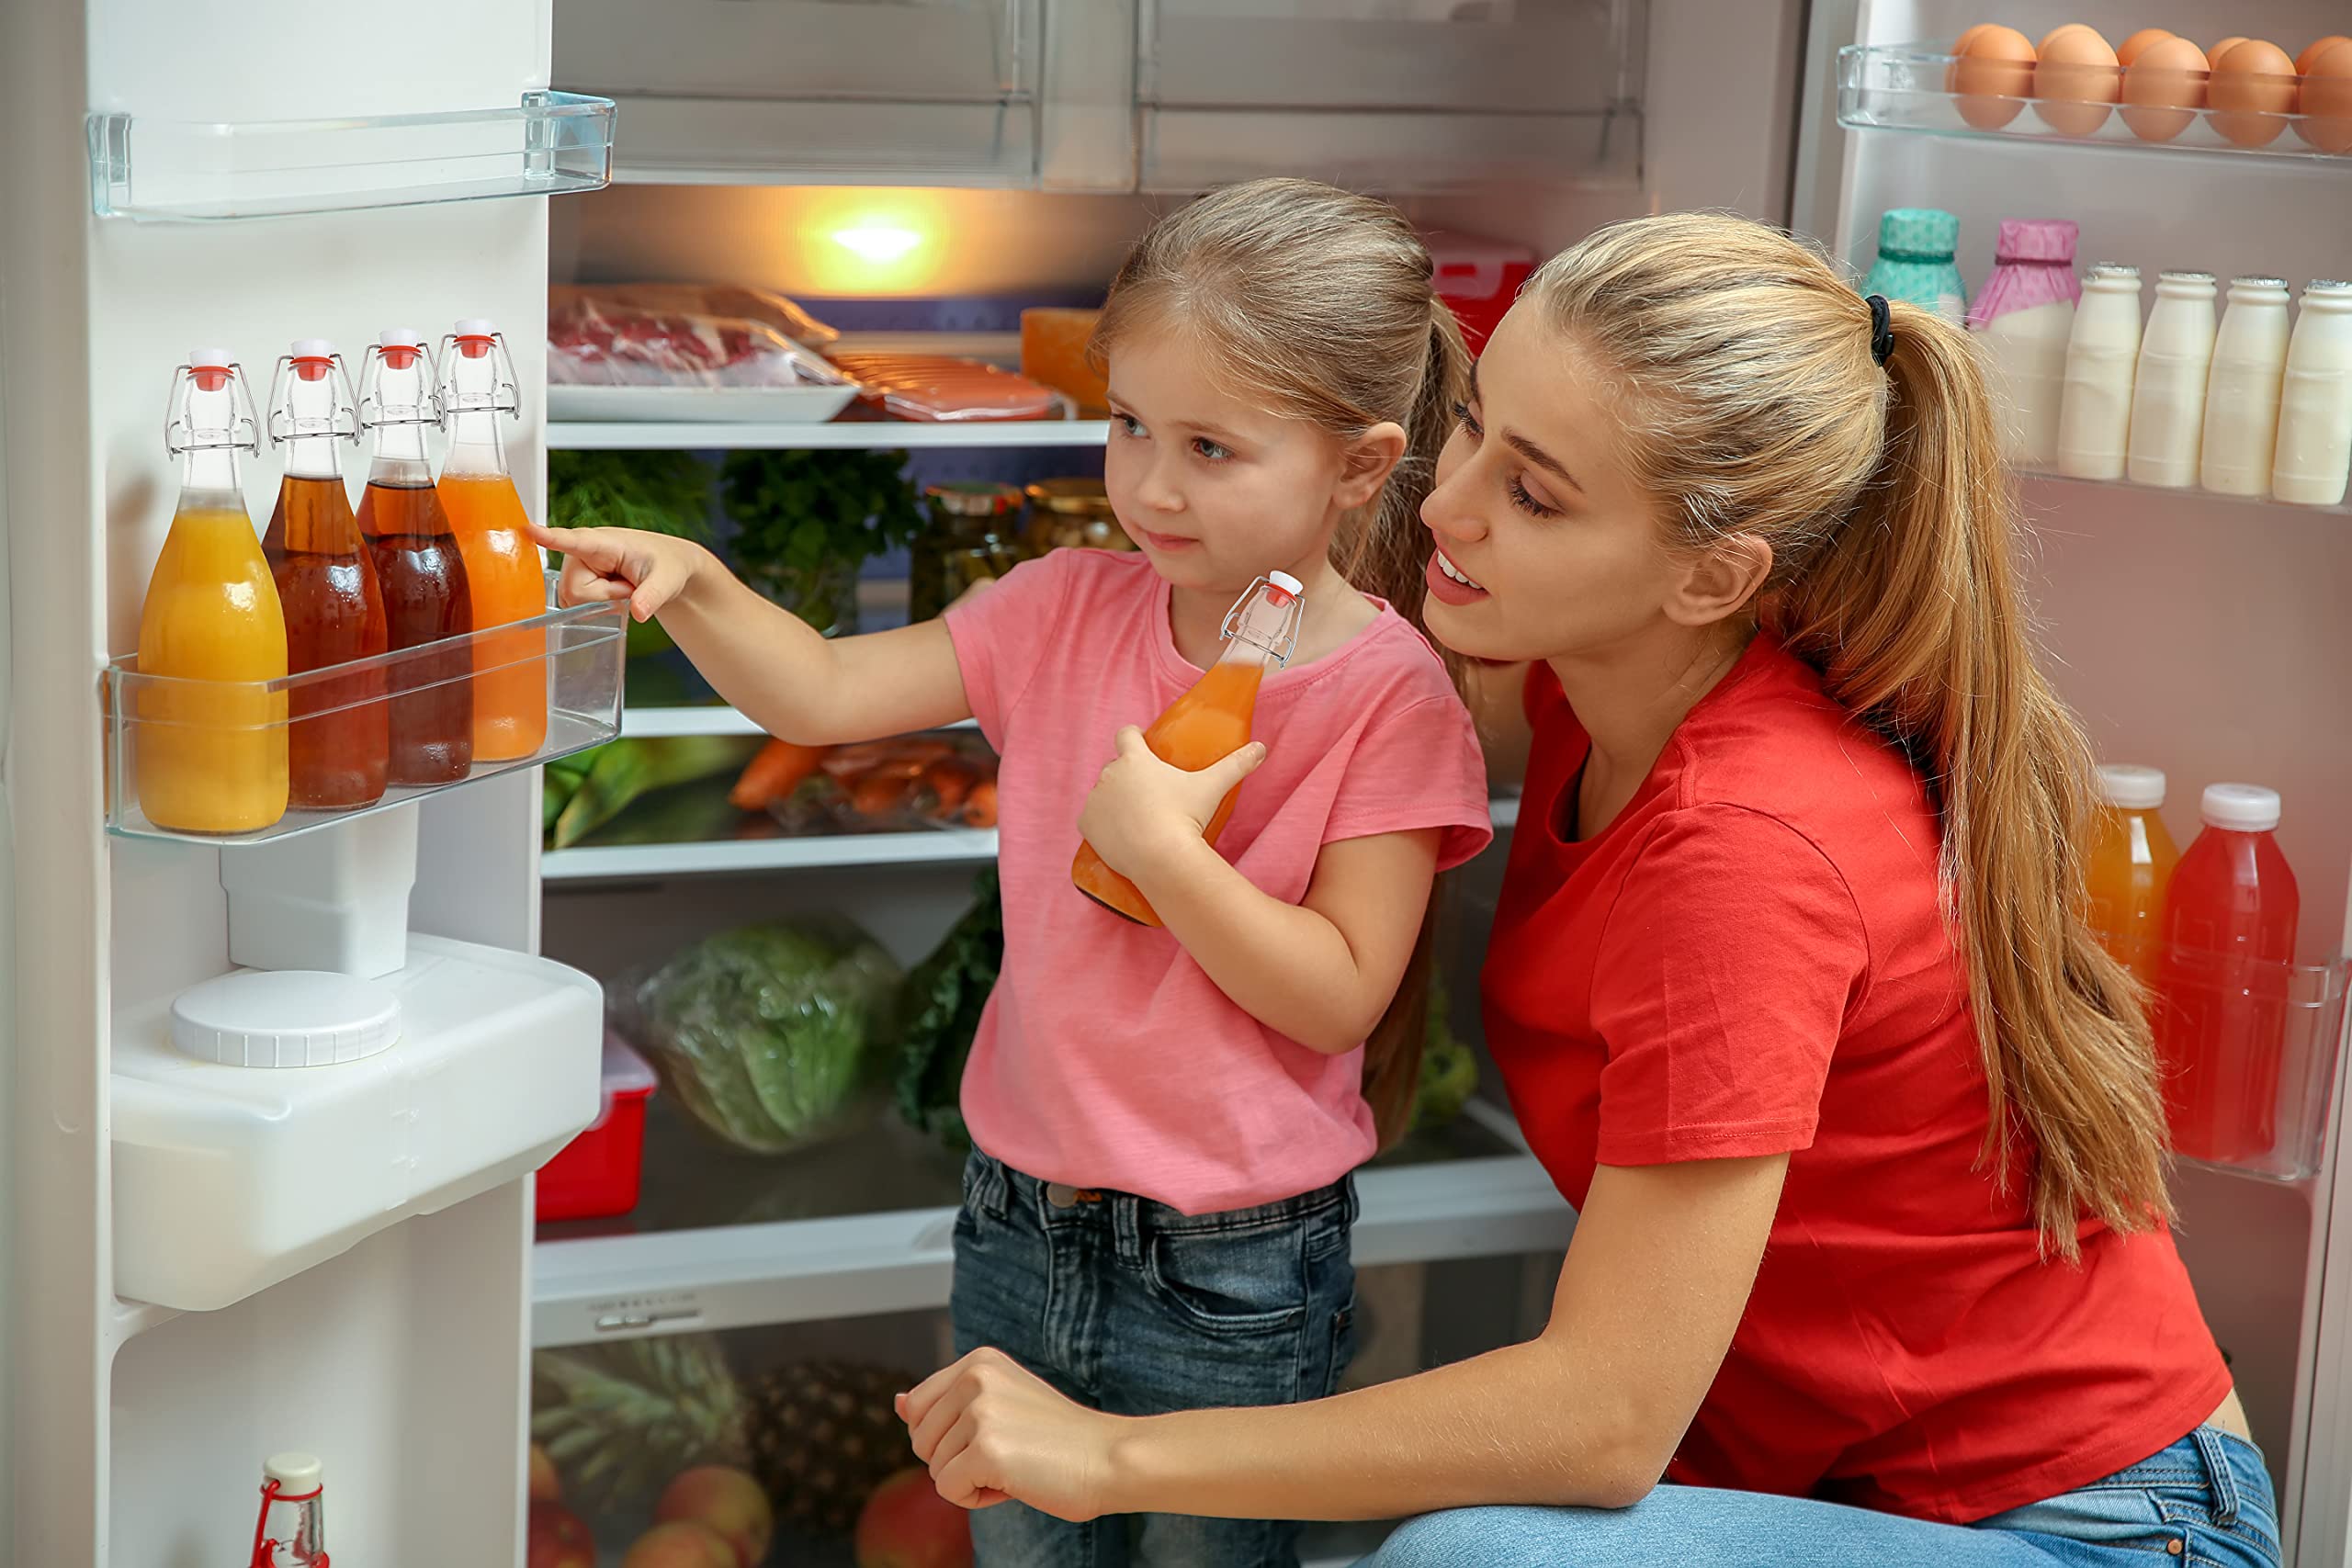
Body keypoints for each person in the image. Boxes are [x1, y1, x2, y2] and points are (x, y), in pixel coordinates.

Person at [892, 211, 2278, 1568]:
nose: (1445, 503)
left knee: (1470, 1557)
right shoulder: (1598, 681)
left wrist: (1111, 1451)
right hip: (1821, 1490)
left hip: (2084, 1527)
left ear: (1711, 574)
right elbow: (1318, 673)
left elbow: (1604, 1425)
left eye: (1534, 493)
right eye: (1476, 423)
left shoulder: (1746, 848)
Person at [533, 178, 1494, 1567]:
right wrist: (698, 584)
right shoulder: (1064, 609)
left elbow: (1339, 994)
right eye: (1130, 427)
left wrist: (1164, 853)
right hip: (1017, 1222)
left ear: (1358, 464)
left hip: (1235, 1262)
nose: (1152, 484)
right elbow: (819, 692)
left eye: (1214, 448)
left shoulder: (1387, 697)